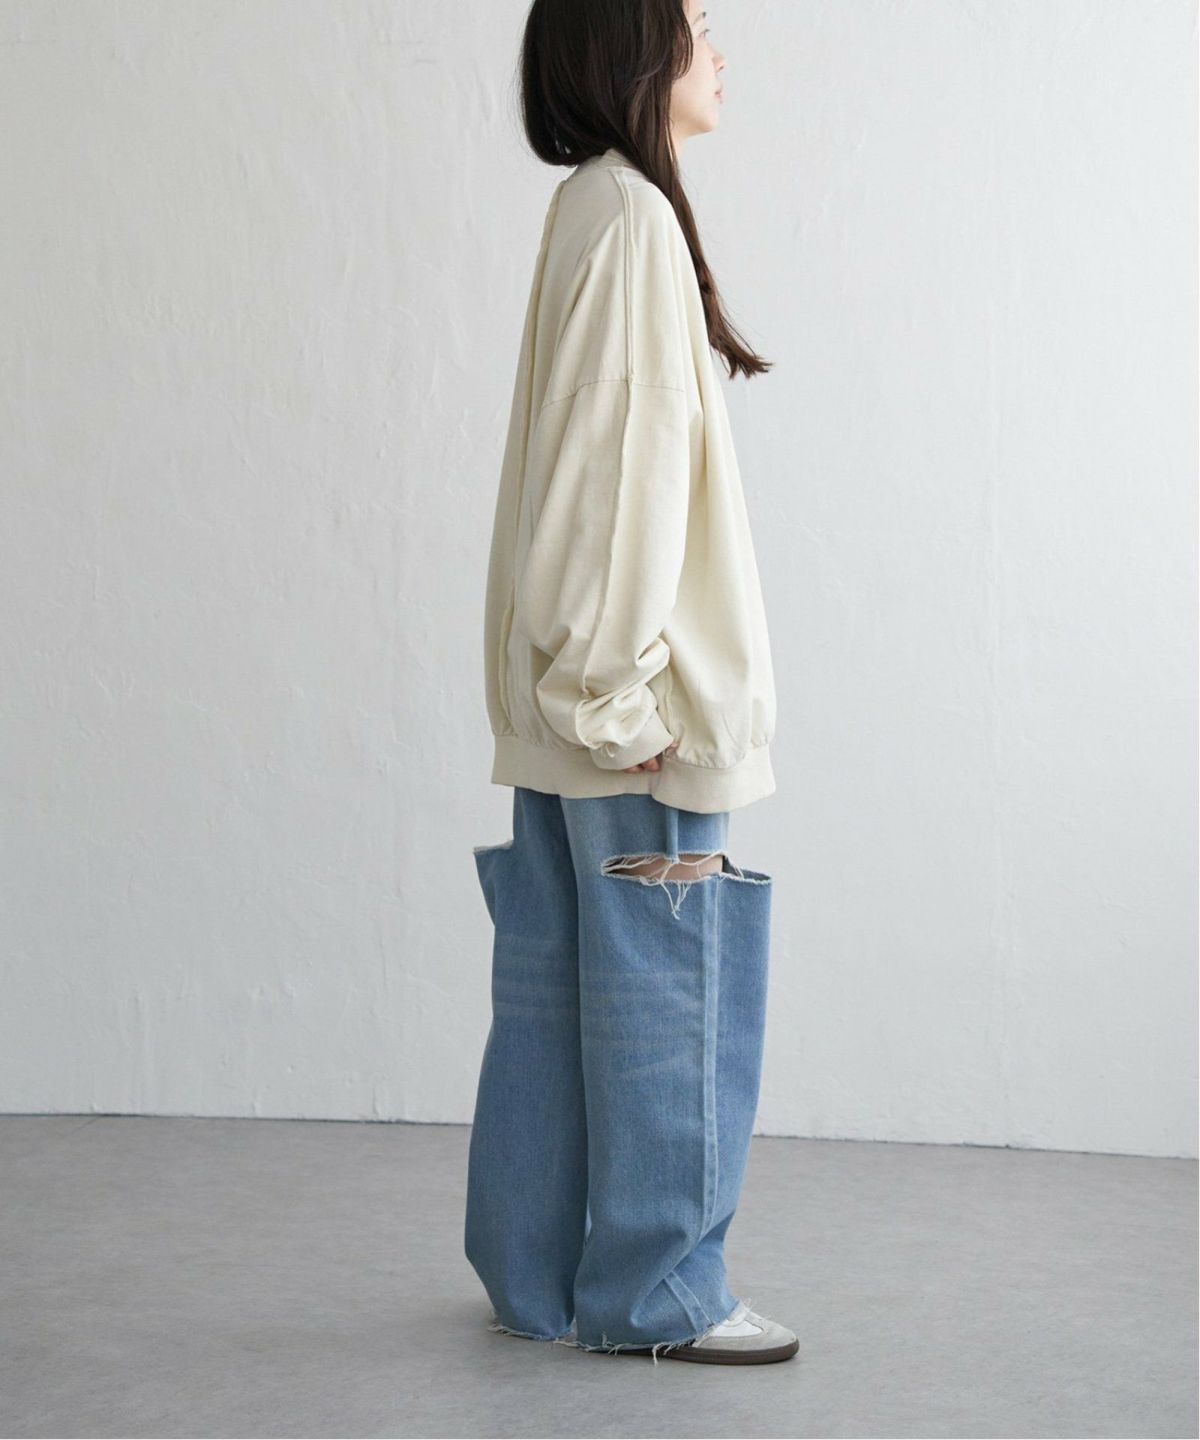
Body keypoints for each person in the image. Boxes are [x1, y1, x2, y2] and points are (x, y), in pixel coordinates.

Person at [464, 0, 797, 1367]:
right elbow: (619, 475)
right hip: (627, 714)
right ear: (635, 47)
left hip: (570, 699)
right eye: (700, 22)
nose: (723, 49)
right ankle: (661, 1296)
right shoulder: (637, 221)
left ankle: (533, 1276)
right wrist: (618, 698)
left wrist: (579, 690)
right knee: (669, 994)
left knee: (555, 992)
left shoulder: (593, 209)